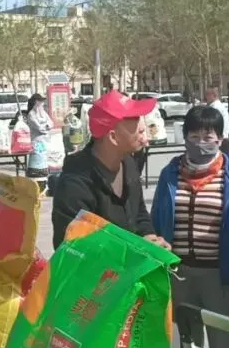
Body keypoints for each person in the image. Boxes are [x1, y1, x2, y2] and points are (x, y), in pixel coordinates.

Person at [151, 105, 229, 348]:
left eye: (208, 135)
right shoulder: (170, 174)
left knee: (224, 345)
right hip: (180, 273)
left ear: (220, 138)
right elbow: (157, 217)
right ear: (185, 136)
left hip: (219, 275)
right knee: (187, 345)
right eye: (194, 135)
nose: (201, 141)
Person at [51, 91, 170, 249]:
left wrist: (150, 238)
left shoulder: (128, 163)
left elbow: (139, 214)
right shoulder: (75, 184)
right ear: (113, 137)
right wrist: (135, 248)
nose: (145, 140)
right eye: (140, 132)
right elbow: (73, 248)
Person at [24, 93, 53, 179]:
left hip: (44, 140)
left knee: (43, 157)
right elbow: (39, 128)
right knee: (37, 156)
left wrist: (47, 126)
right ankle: (35, 172)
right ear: (35, 102)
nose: (42, 104)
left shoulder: (43, 113)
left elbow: (51, 123)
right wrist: (46, 126)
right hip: (36, 141)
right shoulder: (31, 114)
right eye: (40, 102)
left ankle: (43, 172)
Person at [203, 87, 229, 155]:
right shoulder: (214, 106)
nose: (205, 96)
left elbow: (210, 123)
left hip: (219, 139)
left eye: (207, 94)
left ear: (214, 95)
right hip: (219, 138)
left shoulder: (216, 107)